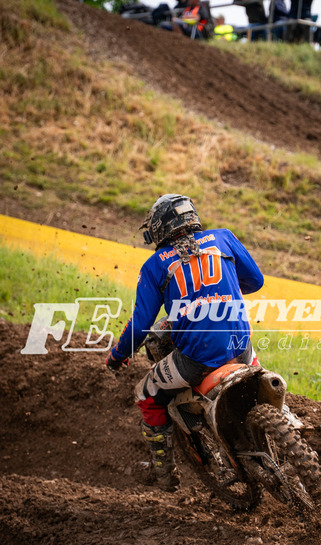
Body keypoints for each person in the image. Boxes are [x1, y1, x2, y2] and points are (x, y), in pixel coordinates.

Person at [106, 194, 264, 490]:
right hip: (242, 347)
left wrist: (117, 355)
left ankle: (165, 476)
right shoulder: (223, 237)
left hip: (197, 359)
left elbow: (140, 324)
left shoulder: (155, 265)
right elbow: (256, 281)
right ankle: (285, 422)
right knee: (260, 378)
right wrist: (219, 291)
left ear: (160, 228)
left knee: (147, 394)